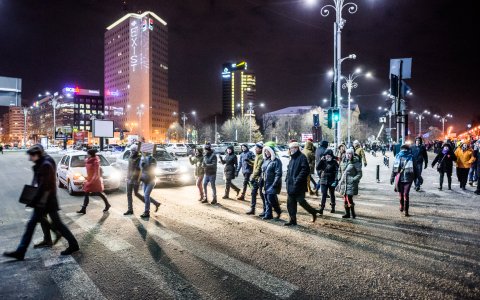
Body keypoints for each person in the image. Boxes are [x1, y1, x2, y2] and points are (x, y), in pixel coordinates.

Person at [3, 145, 79, 260]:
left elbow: (43, 187)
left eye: (31, 156)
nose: (29, 159)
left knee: (50, 224)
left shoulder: (45, 165)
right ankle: (23, 250)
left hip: (45, 201)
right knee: (38, 224)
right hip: (45, 200)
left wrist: (32, 201)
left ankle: (72, 244)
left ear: (37, 155)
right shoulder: (44, 161)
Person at [285, 142, 319, 226]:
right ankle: (292, 220)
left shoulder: (302, 157)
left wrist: (297, 179)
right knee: (290, 203)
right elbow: (289, 170)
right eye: (290, 148)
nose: (290, 150)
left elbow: (305, 170)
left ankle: (313, 212)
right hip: (290, 185)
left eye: (292, 148)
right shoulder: (292, 158)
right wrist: (287, 179)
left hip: (298, 185)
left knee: (301, 202)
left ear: (296, 148)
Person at [123, 145, 160, 215]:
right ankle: (130, 209)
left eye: (134, 150)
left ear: (137, 151)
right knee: (129, 194)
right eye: (131, 150)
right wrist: (127, 176)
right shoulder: (130, 157)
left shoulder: (140, 158)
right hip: (129, 178)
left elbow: (140, 169)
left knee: (138, 194)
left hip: (136, 179)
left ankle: (150, 205)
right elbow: (129, 168)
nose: (132, 152)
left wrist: (137, 178)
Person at [77, 149, 110, 214]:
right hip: (90, 179)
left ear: (91, 154)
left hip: (95, 180)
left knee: (98, 193)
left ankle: (107, 204)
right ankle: (84, 209)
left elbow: (96, 172)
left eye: (88, 154)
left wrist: (92, 180)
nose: (87, 155)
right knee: (87, 193)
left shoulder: (95, 162)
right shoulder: (88, 160)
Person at [390, 144, 416, 216]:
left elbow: (415, 168)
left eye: (405, 149)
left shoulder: (411, 157)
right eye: (403, 149)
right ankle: (402, 205)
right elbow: (394, 168)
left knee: (406, 194)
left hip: (408, 179)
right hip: (400, 178)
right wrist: (392, 177)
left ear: (407, 150)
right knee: (401, 194)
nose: (404, 150)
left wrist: (418, 178)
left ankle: (406, 210)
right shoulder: (398, 156)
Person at [337, 148, 362, 219]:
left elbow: (359, 173)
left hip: (351, 183)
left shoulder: (355, 162)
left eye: (350, 153)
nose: (348, 155)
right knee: (345, 198)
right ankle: (347, 213)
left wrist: (354, 179)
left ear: (352, 154)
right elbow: (340, 170)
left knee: (349, 198)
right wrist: (339, 178)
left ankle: (353, 214)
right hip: (343, 183)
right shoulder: (344, 161)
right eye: (347, 153)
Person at [261, 144, 282, 220]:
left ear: (271, 151)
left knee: (271, 198)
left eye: (268, 151)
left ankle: (278, 211)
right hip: (265, 183)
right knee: (266, 198)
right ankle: (268, 214)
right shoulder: (265, 160)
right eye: (265, 151)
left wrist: (275, 183)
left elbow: (278, 173)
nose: (266, 152)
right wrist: (260, 180)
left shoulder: (276, 161)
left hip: (272, 183)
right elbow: (262, 172)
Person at [317, 149, 339, 215]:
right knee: (324, 194)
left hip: (331, 180)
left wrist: (336, 180)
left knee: (332, 193)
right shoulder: (323, 161)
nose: (327, 157)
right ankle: (321, 208)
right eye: (326, 156)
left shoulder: (334, 162)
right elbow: (317, 168)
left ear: (332, 156)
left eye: (329, 156)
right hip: (323, 180)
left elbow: (337, 172)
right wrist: (321, 160)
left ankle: (333, 207)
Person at [138, 151, 158, 218]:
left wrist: (145, 165)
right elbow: (140, 169)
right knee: (146, 196)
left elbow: (152, 168)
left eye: (143, 152)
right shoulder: (142, 159)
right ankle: (156, 203)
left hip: (151, 180)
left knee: (146, 195)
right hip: (145, 180)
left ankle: (147, 212)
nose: (142, 153)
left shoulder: (152, 159)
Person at [247, 143, 265, 215]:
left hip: (259, 178)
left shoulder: (261, 156)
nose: (255, 149)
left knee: (261, 194)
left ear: (260, 149)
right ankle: (252, 209)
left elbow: (258, 168)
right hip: (256, 178)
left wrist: (253, 177)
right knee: (253, 193)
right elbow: (255, 163)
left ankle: (265, 210)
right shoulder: (257, 156)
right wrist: (249, 161)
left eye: (257, 148)